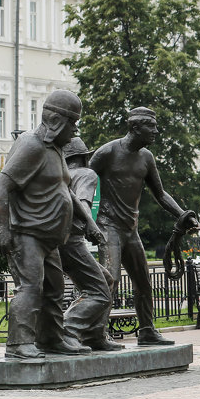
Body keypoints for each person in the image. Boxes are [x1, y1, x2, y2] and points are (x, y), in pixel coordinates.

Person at [0, 90, 106, 360]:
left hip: (50, 237)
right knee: (31, 288)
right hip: (27, 233)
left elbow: (66, 192)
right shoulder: (31, 145)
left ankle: (51, 340)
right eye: (72, 122)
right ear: (56, 120)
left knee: (54, 290)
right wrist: (2, 229)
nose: (75, 128)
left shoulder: (54, 149)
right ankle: (18, 344)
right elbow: (0, 187)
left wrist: (88, 222)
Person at [89, 107, 199, 346]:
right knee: (111, 279)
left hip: (130, 230)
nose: (156, 132)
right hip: (108, 227)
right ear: (135, 127)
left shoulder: (146, 158)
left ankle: (147, 330)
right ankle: (97, 334)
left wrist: (183, 215)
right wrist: (84, 219)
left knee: (143, 283)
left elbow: (160, 194)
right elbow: (81, 181)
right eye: (151, 127)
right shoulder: (107, 152)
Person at [58, 137, 122, 351]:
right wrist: (91, 225)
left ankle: (94, 335)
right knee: (100, 292)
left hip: (56, 240)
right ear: (84, 158)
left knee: (106, 278)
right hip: (72, 240)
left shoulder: (61, 176)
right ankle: (68, 329)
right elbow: (83, 203)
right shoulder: (86, 174)